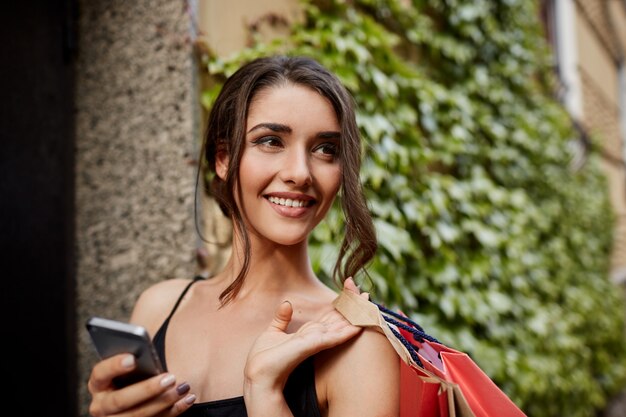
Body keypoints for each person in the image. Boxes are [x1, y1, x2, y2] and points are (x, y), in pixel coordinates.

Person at [86, 55, 400, 417]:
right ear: (223, 158)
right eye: (270, 141)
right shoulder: (158, 307)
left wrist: (264, 392)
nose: (300, 172)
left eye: (325, 149)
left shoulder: (356, 341)